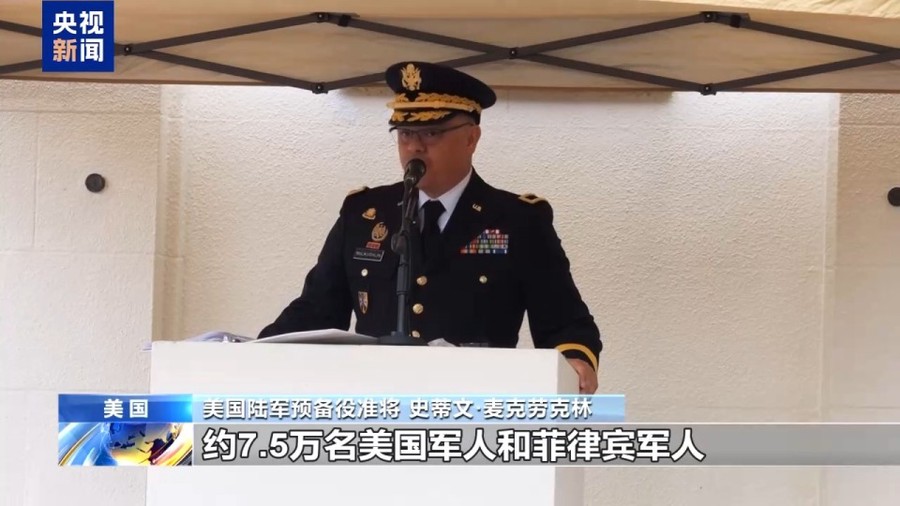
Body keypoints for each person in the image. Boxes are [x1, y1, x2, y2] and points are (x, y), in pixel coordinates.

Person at [258, 61, 602, 394]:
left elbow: (564, 320)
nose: (414, 147)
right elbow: (317, 310)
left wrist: (576, 360)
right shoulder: (364, 214)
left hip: (475, 406)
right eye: (405, 133)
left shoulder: (517, 220)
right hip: (375, 403)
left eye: (431, 132)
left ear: (471, 138)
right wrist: (254, 350)